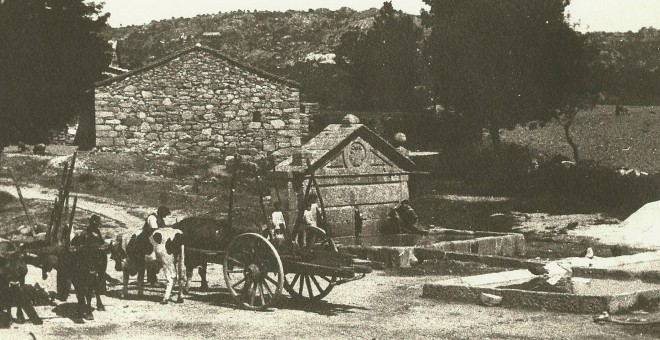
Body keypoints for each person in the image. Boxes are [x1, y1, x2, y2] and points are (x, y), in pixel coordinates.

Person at [143, 206, 170, 286]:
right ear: (161, 213)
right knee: (152, 260)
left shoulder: (160, 219)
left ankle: (153, 279)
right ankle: (151, 280)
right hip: (148, 240)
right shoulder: (152, 218)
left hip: (156, 240)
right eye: (164, 214)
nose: (165, 216)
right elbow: (155, 230)